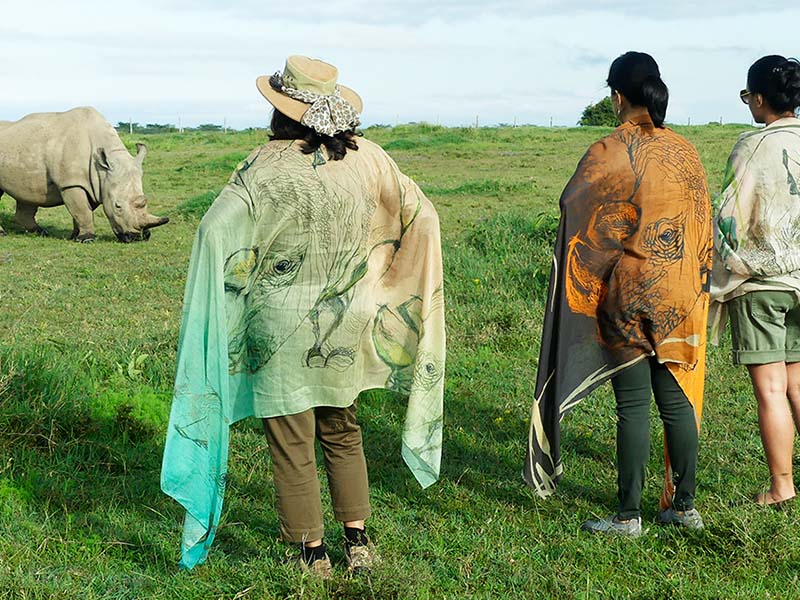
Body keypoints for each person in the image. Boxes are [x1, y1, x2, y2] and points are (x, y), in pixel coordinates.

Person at [161, 56, 446, 576]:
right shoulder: (372, 159)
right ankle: (358, 542)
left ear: (281, 111)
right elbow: (422, 215)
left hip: (279, 323)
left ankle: (311, 553)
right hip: (352, 316)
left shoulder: (263, 165)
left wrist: (228, 284)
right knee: (342, 428)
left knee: (292, 439)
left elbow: (212, 231)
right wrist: (382, 273)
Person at [524, 51, 712, 536]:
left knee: (632, 406)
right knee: (676, 403)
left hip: (628, 294)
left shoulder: (609, 149)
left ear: (617, 95)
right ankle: (683, 507)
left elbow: (573, 204)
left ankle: (628, 515)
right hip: (683, 293)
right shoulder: (686, 150)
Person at [710, 55, 800, 508]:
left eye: (748, 96)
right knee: (799, 383)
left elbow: (728, 219)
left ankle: (782, 487)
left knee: (771, 389)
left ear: (760, 98)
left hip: (763, 282)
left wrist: (731, 266)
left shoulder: (752, 146)